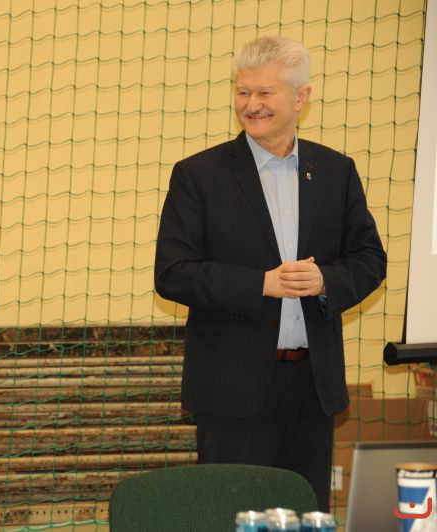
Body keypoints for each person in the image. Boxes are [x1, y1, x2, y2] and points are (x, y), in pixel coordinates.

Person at [154, 35, 386, 511]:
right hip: (231, 392)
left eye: (265, 92)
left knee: (306, 514)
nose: (251, 104)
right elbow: (173, 273)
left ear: (301, 97)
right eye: (243, 92)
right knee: (231, 516)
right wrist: (260, 284)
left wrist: (326, 282)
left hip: (313, 389)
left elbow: (370, 259)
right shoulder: (198, 175)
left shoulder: (336, 171)